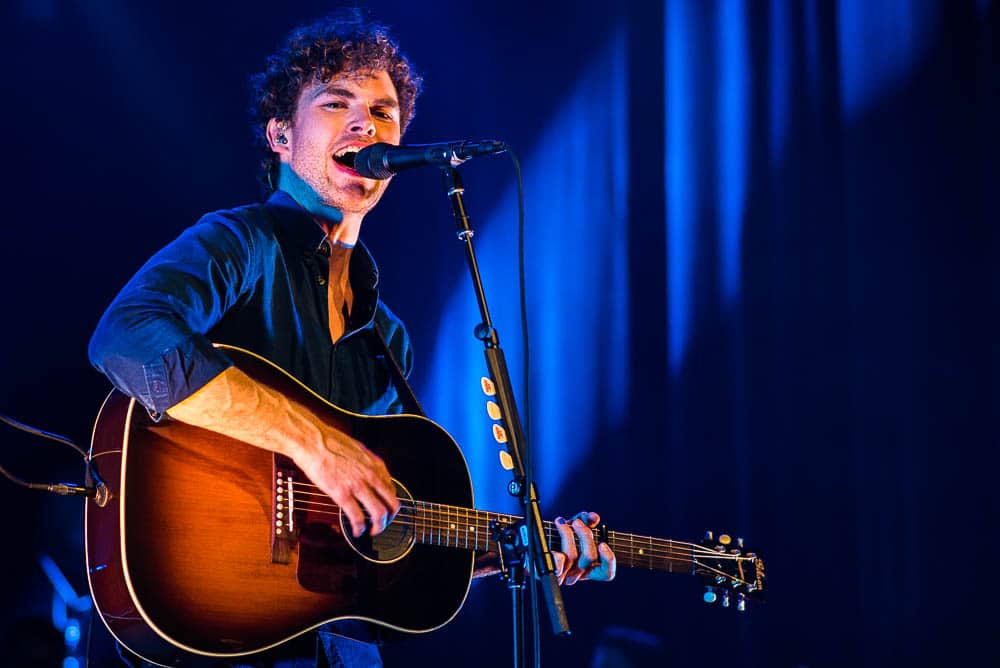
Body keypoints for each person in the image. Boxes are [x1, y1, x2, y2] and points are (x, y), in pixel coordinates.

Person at [88, 9, 615, 667]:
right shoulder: (241, 242)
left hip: (318, 645)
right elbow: (125, 337)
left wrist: (521, 552)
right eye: (337, 104)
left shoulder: (387, 336)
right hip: (196, 628)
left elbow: (368, 538)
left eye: (384, 113)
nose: (367, 125)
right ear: (280, 135)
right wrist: (316, 445)